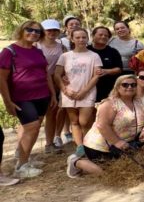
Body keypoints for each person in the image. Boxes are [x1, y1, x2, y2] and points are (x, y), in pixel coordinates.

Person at [0, 21, 55, 178]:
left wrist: (52, 94)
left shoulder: (37, 51)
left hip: (42, 96)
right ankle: (21, 167)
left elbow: (46, 74)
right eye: (29, 29)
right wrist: (7, 101)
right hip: (22, 98)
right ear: (21, 30)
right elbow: (1, 79)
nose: (33, 33)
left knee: (34, 129)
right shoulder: (9, 51)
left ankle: (25, 158)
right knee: (32, 127)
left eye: (37, 31)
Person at [66, 75, 144, 178]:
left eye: (133, 85)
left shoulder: (138, 102)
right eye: (125, 85)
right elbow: (102, 125)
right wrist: (117, 142)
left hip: (124, 144)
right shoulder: (110, 104)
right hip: (100, 146)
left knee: (127, 170)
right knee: (110, 175)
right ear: (117, 87)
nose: (130, 87)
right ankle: (76, 162)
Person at [55, 28, 102, 154]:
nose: (81, 40)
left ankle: (89, 145)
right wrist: (65, 90)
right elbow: (57, 75)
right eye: (77, 37)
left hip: (87, 92)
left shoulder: (94, 56)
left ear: (87, 38)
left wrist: (84, 91)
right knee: (74, 121)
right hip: (69, 93)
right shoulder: (65, 56)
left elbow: (96, 75)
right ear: (72, 39)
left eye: (83, 37)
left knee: (84, 121)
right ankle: (80, 147)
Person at [37, 19, 68, 154]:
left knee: (52, 113)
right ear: (43, 31)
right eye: (49, 30)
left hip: (56, 82)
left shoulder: (61, 46)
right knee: (36, 117)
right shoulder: (36, 45)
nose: (52, 32)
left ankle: (49, 144)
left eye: (55, 30)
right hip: (39, 83)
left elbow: (66, 62)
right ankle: (22, 148)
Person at [87, 27, 123, 104]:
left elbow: (119, 69)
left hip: (108, 89)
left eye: (106, 36)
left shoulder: (113, 51)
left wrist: (106, 71)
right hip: (88, 88)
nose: (103, 37)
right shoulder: (86, 50)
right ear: (93, 36)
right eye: (100, 35)